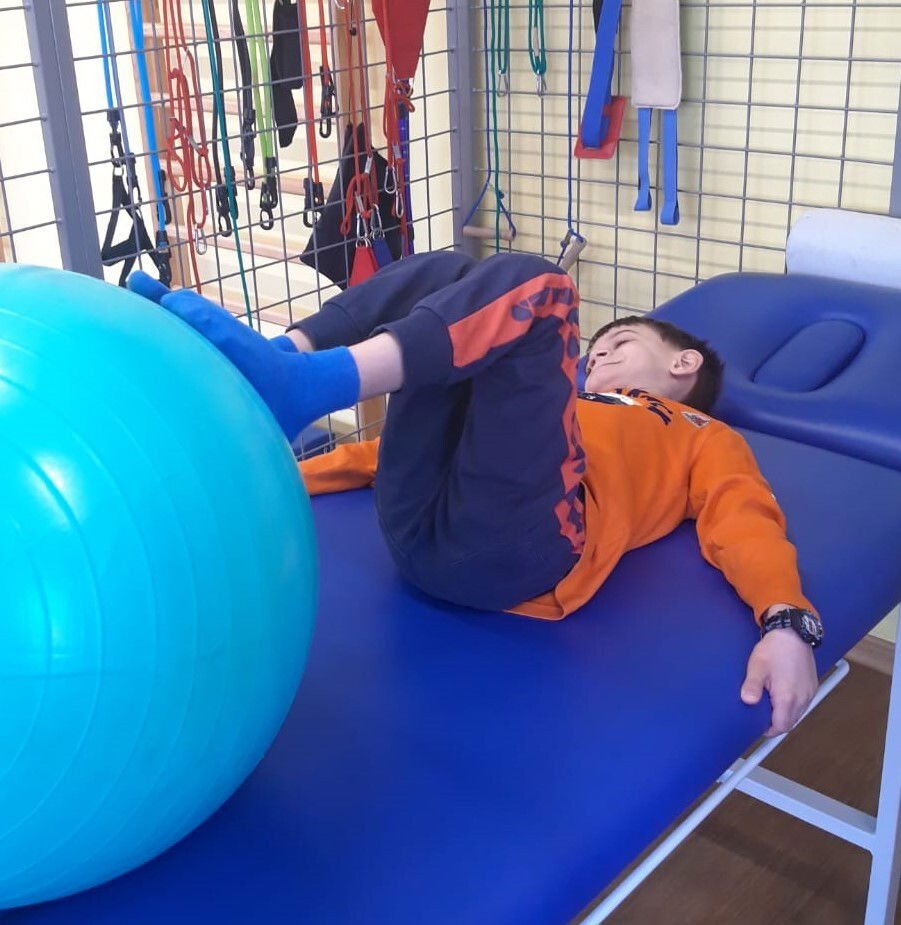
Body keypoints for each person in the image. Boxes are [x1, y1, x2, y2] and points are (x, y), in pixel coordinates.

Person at [127, 251, 822, 737]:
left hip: (523, 550)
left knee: (544, 289)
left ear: (684, 362)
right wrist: (270, 477)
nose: (598, 354)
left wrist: (786, 622)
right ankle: (284, 363)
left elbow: (744, 519)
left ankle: (302, 382)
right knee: (451, 272)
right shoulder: (566, 403)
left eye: (622, 343)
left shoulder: (697, 429)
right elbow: (376, 456)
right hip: (415, 525)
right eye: (596, 349)